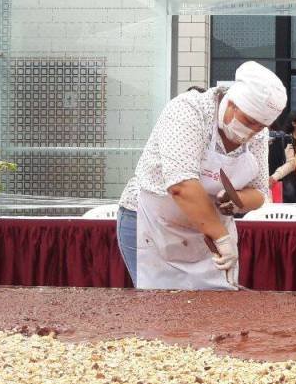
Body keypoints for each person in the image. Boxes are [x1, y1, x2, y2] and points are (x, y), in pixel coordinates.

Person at [116, 61, 286, 289]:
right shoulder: (189, 109)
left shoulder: (257, 135)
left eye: (260, 126)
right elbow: (181, 185)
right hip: (154, 224)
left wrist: (236, 200)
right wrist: (222, 238)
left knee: (211, 313)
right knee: (158, 309)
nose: (252, 131)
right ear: (231, 102)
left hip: (209, 231)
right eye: (248, 122)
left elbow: (259, 192)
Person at [269, 109, 296, 204]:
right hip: (287, 184)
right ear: (294, 123)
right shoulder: (286, 140)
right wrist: (275, 177)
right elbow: (291, 163)